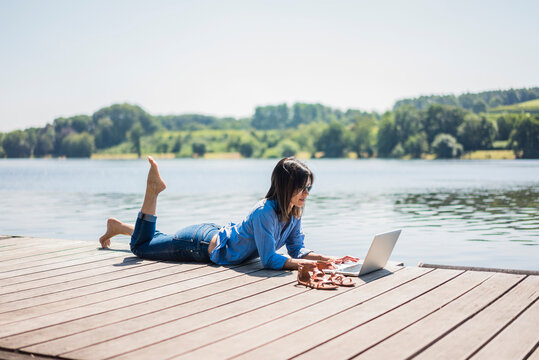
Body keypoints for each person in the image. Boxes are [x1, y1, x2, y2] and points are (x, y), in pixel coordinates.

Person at [99, 156, 357, 276]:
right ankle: (152, 191)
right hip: (198, 246)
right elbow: (268, 259)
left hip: (213, 237)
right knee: (140, 248)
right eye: (302, 188)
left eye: (308, 188)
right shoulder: (265, 212)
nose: (306, 193)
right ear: (286, 186)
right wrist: (304, 266)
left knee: (155, 241)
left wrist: (329, 258)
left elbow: (297, 248)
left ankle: (119, 226)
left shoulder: (294, 211)